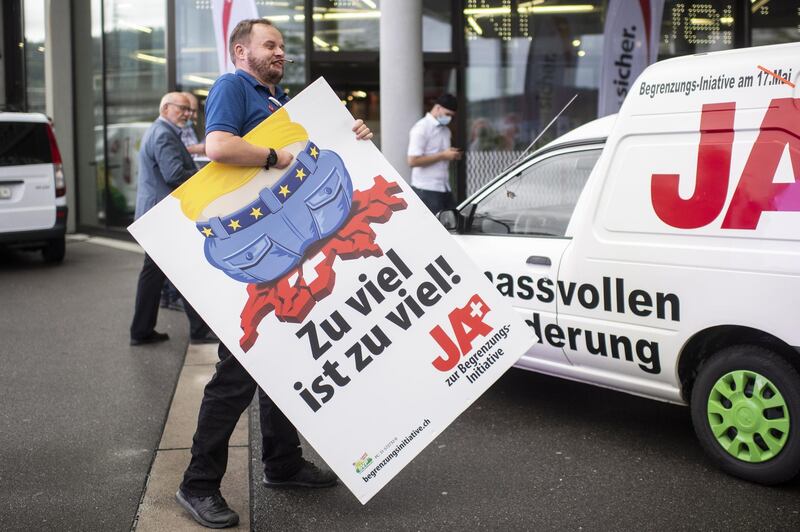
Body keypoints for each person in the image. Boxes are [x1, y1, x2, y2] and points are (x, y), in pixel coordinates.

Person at [175, 18, 372, 529]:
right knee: (236, 376)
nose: (279, 52)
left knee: (282, 363)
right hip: (254, 251)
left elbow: (310, 148)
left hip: (284, 247)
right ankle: (197, 484)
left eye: (282, 46)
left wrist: (349, 133)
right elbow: (217, 146)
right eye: (270, 45)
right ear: (242, 51)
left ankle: (282, 464)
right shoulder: (232, 85)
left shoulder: (276, 99)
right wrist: (273, 156)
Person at [129, 92, 218, 346]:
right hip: (163, 217)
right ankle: (197, 331)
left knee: (155, 274)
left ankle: (141, 330)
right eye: (183, 109)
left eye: (190, 111)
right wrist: (205, 173)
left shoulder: (159, 131)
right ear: (166, 108)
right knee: (185, 271)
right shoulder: (164, 135)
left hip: (157, 215)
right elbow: (174, 174)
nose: (188, 114)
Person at [407, 93, 461, 214]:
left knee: (453, 225)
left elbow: (443, 154)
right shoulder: (421, 128)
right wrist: (443, 155)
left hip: (444, 187)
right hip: (426, 189)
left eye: (452, 116)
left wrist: (451, 155)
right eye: (447, 114)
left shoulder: (446, 130)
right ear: (437, 108)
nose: (449, 118)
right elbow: (412, 161)